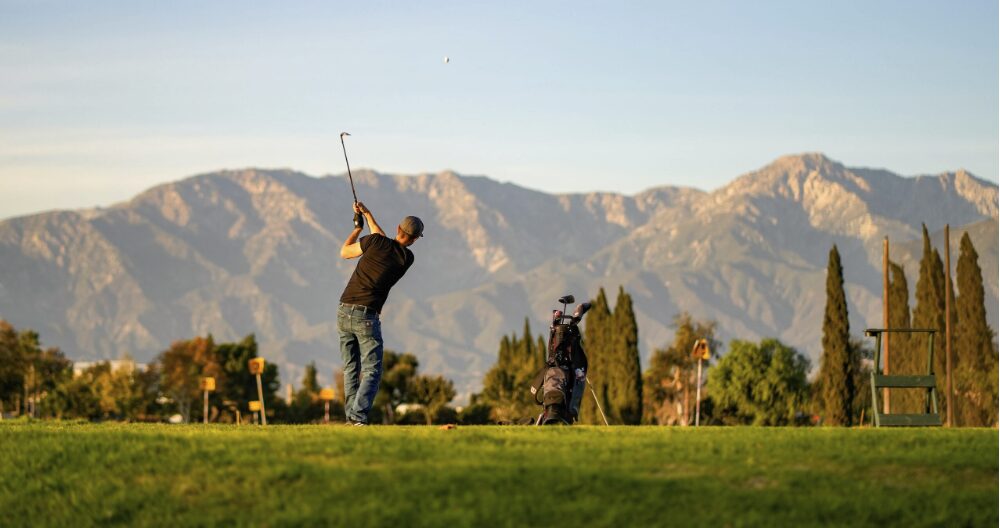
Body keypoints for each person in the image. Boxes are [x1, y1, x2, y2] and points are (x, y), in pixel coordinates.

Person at [338, 201, 423, 425]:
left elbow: (345, 252)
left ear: (398, 229)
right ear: (414, 240)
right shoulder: (407, 258)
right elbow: (384, 241)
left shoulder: (374, 242)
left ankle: (351, 418)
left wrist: (358, 228)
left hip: (344, 308)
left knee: (350, 368)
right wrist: (368, 215)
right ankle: (357, 418)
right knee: (372, 370)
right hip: (367, 315)